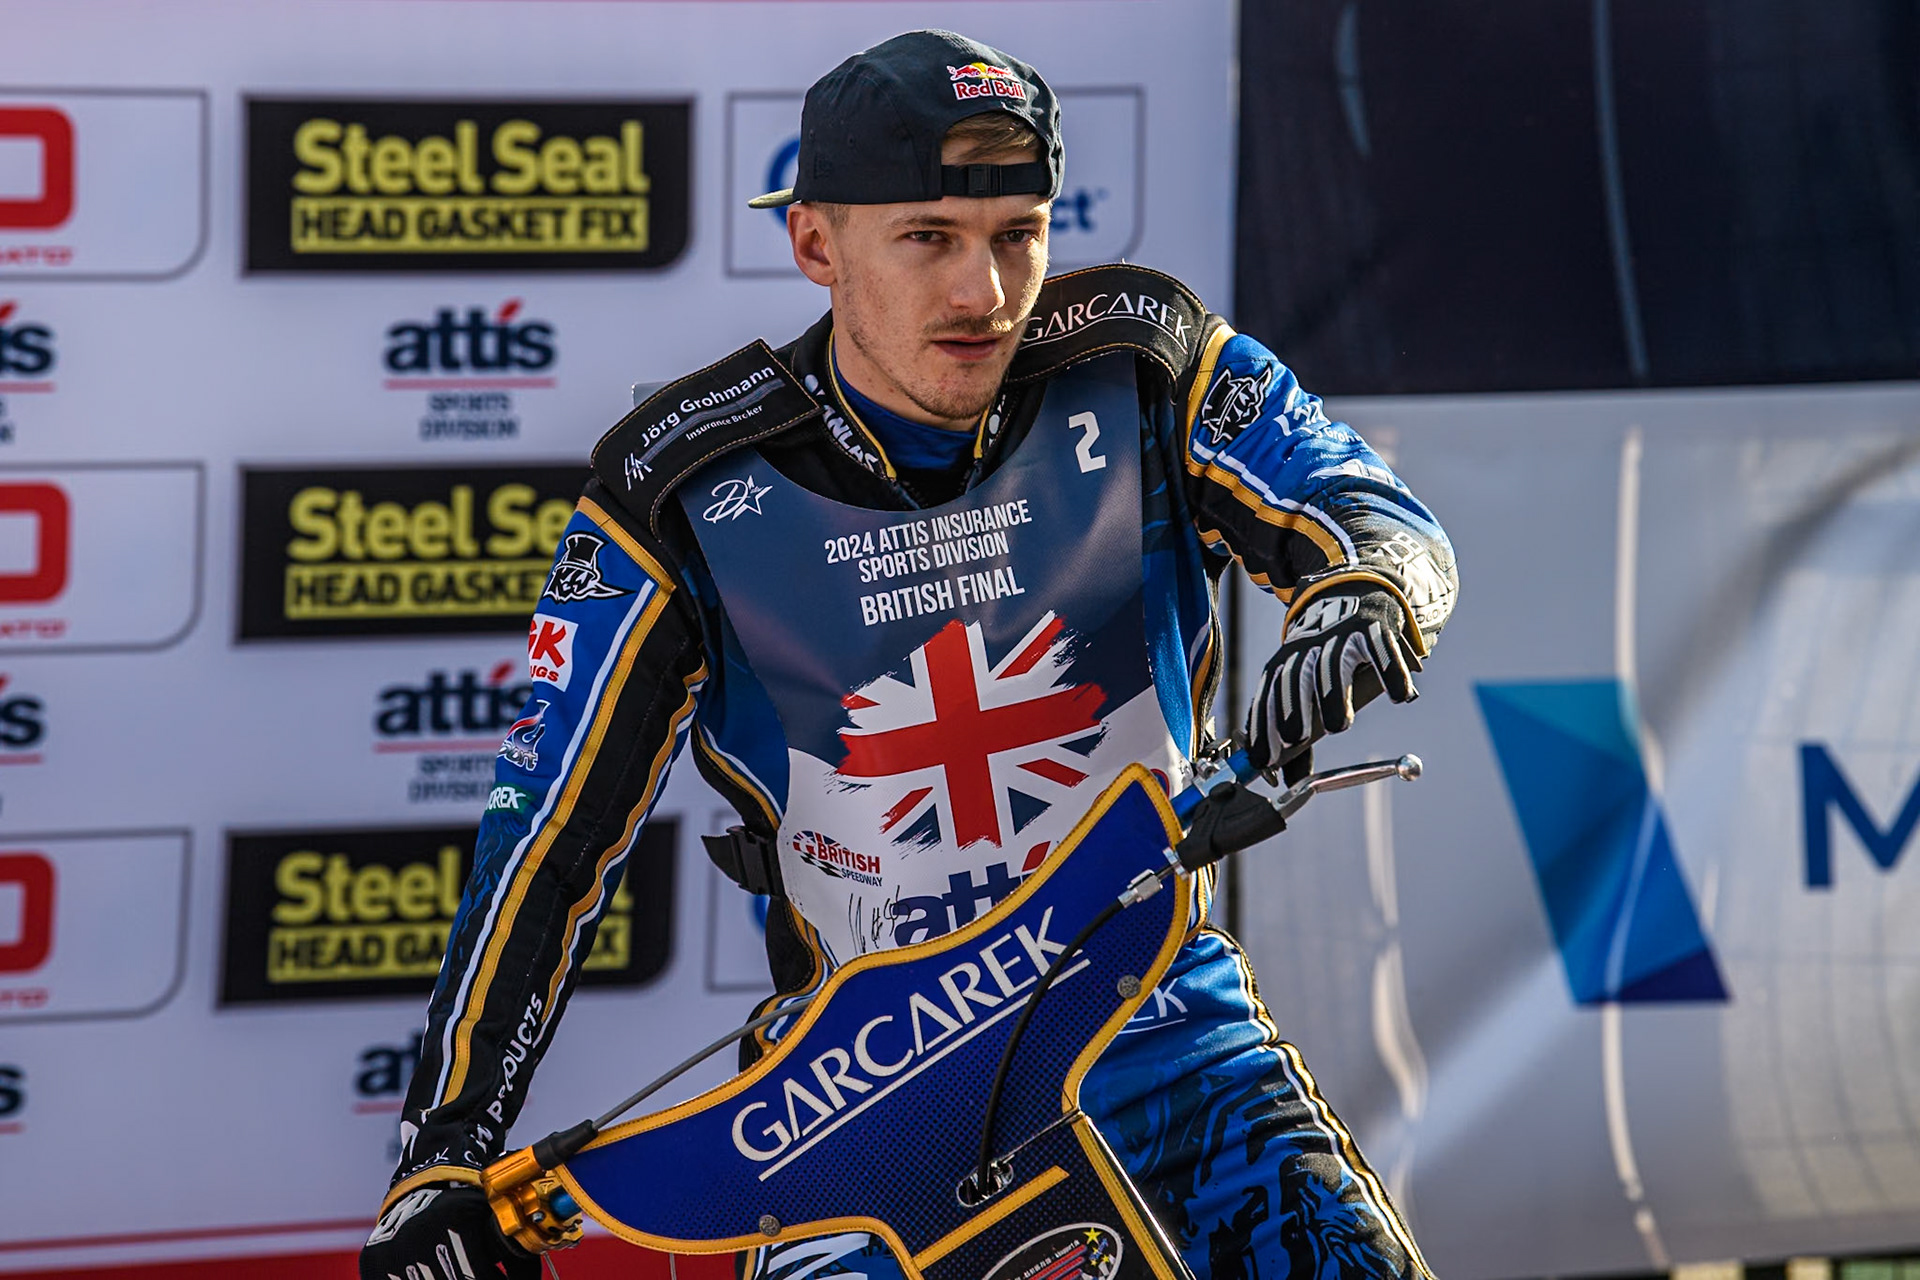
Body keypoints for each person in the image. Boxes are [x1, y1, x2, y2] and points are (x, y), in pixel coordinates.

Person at [360, 29, 1457, 1280]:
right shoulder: (682, 486)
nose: (985, 293)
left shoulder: (1138, 357)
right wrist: (444, 1148)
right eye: (929, 238)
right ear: (817, 242)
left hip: (1167, 1042)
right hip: (855, 1107)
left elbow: (1372, 510)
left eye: (1017, 234)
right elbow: (544, 833)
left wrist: (1364, 589)